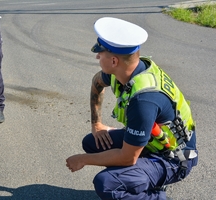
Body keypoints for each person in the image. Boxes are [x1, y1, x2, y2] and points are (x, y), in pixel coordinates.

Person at [66, 17, 198, 200]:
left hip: (174, 158)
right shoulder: (129, 70)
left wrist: (82, 159)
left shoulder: (144, 100)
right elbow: (97, 82)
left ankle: (154, 196)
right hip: (155, 141)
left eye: (100, 52)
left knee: (106, 183)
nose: (97, 56)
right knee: (92, 142)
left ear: (114, 61)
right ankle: (134, 180)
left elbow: (128, 158)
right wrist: (96, 124)